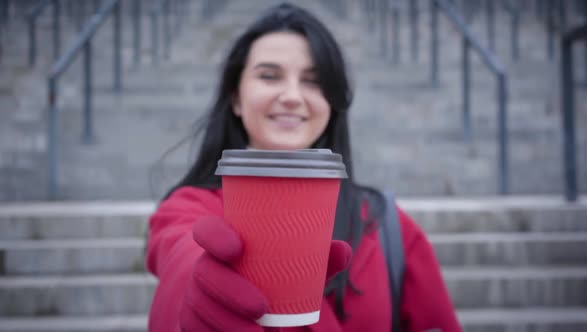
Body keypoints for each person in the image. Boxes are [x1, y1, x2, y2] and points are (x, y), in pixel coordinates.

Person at [146, 3, 461, 332]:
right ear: (236, 97)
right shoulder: (187, 208)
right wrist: (202, 288)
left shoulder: (387, 224)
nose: (293, 96)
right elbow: (182, 254)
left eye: (313, 81)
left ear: (331, 102)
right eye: (269, 76)